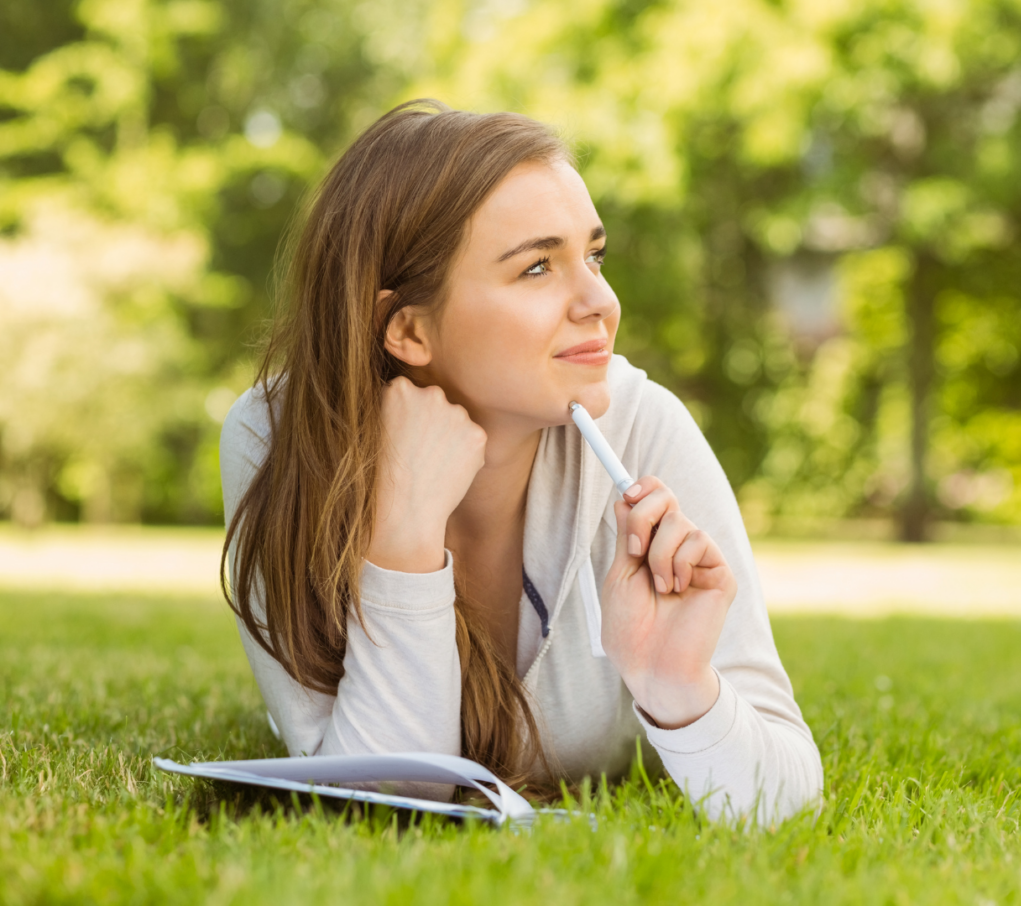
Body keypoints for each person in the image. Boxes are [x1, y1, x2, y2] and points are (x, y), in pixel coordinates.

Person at [220, 99, 823, 823]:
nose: (601, 301)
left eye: (593, 256)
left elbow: (782, 805)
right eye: (538, 267)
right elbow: (378, 803)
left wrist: (680, 688)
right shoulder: (282, 441)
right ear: (407, 329)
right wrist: (404, 540)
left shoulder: (641, 430)